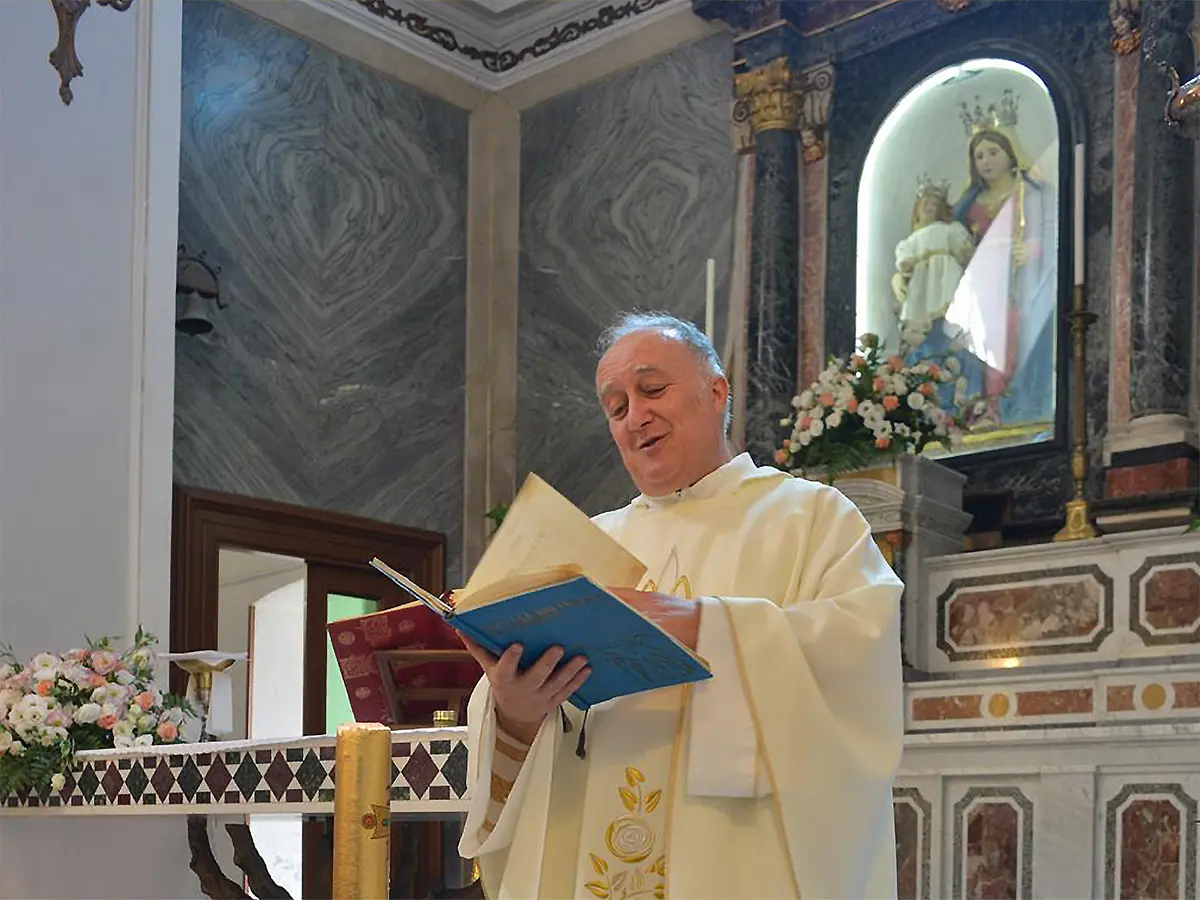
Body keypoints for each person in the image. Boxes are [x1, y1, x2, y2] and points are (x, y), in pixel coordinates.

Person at [457, 312, 905, 899]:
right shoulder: (584, 546)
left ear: (716, 391)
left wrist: (708, 627)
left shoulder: (810, 517)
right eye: (615, 407)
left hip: (732, 861)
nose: (634, 415)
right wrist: (513, 711)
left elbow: (858, 655)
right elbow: (525, 724)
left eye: (652, 389)